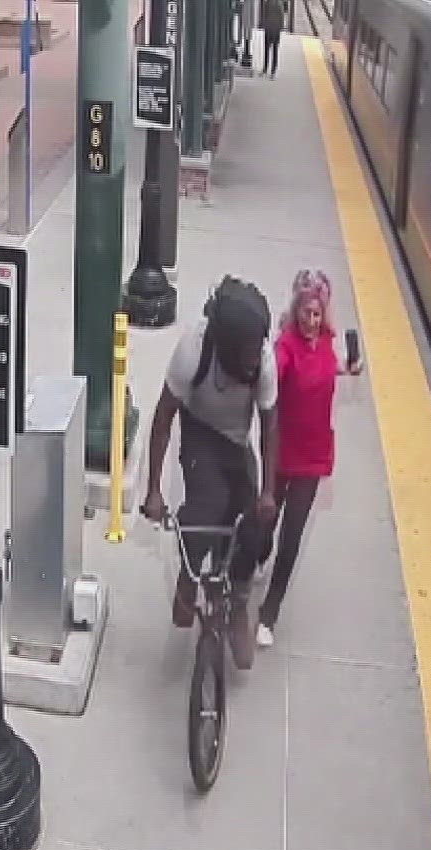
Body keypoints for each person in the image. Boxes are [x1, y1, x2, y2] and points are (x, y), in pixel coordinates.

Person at [140, 276, 280, 670]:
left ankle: (238, 604)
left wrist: (267, 491)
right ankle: (189, 573)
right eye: (248, 350)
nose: (256, 356)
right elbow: (164, 416)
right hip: (200, 432)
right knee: (209, 504)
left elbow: (270, 424)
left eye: (259, 347)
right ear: (227, 345)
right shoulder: (194, 348)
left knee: (253, 522)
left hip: (237, 441)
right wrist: (153, 490)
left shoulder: (263, 360)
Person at [255, 269, 356, 647]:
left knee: (292, 536)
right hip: (282, 453)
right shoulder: (285, 348)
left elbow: (326, 367)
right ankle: (259, 553)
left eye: (317, 313)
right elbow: (272, 379)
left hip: (314, 456)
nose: (311, 321)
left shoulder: (328, 341)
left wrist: (347, 367)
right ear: (296, 310)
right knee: (267, 520)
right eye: (306, 313)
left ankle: (270, 613)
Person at [260, 0, 286, 77]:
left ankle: (265, 69)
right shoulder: (280, 3)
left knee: (267, 49)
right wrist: (281, 27)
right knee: (275, 50)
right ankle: (273, 71)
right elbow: (282, 15)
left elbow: (264, 14)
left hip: (269, 28)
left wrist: (264, 24)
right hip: (275, 28)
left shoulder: (268, 2)